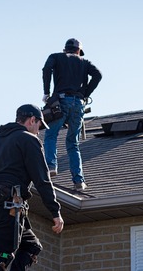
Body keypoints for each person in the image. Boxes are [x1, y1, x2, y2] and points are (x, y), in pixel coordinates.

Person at [0, 104, 64, 271]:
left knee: (31, 246)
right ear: (33, 120)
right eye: (39, 126)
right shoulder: (29, 140)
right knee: (2, 256)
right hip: (8, 206)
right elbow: (42, 180)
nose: (39, 131)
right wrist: (55, 212)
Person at [42, 38, 102, 191]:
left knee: (51, 134)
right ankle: (79, 181)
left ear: (65, 49)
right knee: (72, 143)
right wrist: (84, 93)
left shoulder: (56, 57)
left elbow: (46, 69)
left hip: (61, 101)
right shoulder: (84, 62)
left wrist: (46, 92)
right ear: (78, 51)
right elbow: (98, 75)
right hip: (78, 104)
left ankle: (51, 166)